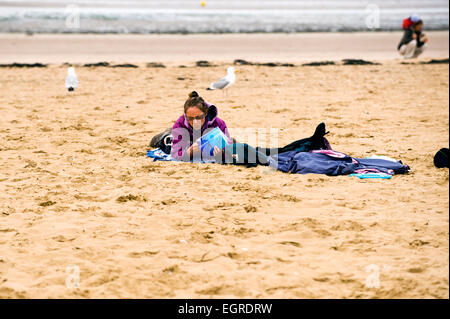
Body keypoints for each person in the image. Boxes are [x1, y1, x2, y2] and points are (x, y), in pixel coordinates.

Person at [171, 91, 232, 162]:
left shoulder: (218, 123)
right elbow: (175, 154)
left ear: (206, 113)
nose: (195, 122)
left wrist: (221, 154)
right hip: (184, 144)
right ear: (186, 116)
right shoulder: (179, 124)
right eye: (190, 118)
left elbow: (230, 150)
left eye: (198, 117)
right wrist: (189, 152)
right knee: (164, 141)